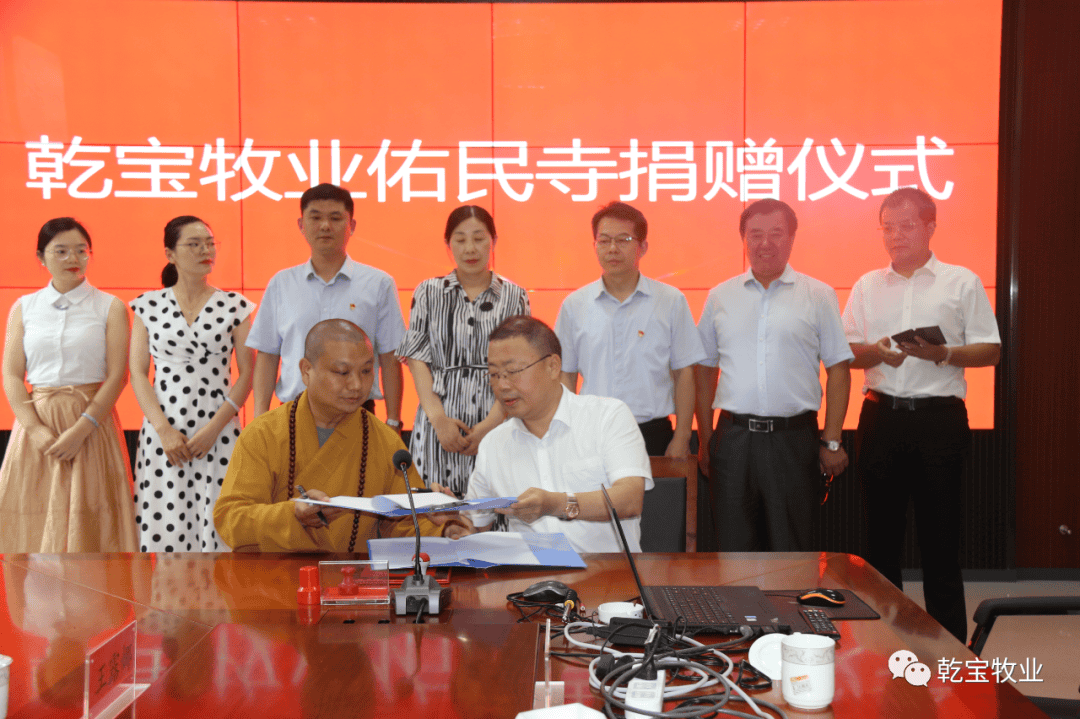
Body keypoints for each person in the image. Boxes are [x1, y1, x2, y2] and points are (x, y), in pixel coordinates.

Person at [842, 188, 1000, 643]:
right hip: (881, 419)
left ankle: (948, 653)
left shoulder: (961, 282)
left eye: (907, 226)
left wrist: (943, 353)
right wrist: (877, 352)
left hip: (939, 422)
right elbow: (845, 353)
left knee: (941, 544)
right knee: (880, 544)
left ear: (931, 227)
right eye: (887, 227)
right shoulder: (867, 286)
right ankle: (884, 645)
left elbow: (991, 350)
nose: (895, 236)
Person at [695, 199, 852, 552]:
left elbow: (839, 371)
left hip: (793, 440)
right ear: (744, 239)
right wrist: (705, 440)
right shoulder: (720, 296)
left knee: (791, 551)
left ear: (792, 238)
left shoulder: (819, 294)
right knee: (733, 550)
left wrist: (831, 440)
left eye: (776, 233)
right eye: (755, 234)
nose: (765, 243)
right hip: (733, 439)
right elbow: (704, 371)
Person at [214, 319, 447, 552]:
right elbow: (230, 519)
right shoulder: (264, 434)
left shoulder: (386, 442)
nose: (357, 385)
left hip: (355, 574)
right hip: (275, 573)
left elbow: (405, 524)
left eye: (366, 371)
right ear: (306, 370)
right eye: (342, 372)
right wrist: (291, 513)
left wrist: (444, 529)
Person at [444, 316, 652, 554]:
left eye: (513, 371)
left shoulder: (607, 416)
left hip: (607, 572)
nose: (502, 385)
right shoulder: (494, 443)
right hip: (530, 574)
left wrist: (556, 504)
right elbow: (476, 524)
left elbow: (629, 500)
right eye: (493, 374)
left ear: (553, 366)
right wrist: (454, 523)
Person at [0, 217, 137, 553]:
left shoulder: (110, 306)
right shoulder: (24, 308)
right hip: (38, 426)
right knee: (30, 526)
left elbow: (118, 375)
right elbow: (12, 375)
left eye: (81, 250)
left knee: (92, 531)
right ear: (40, 257)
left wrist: (82, 429)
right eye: (60, 251)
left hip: (91, 426)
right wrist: (35, 429)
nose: (72, 258)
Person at [129, 216, 255, 552]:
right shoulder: (147, 306)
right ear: (170, 253)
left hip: (219, 429)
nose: (205, 250)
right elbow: (138, 372)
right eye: (194, 244)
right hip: (164, 432)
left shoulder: (236, 306)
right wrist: (163, 430)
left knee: (220, 526)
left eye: (210, 243)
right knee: (166, 529)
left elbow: (247, 373)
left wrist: (214, 428)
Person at [246, 183, 406, 431]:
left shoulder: (378, 283)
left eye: (335, 218)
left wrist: (393, 420)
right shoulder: (281, 283)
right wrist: (259, 421)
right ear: (301, 225)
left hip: (357, 414)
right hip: (293, 415)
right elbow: (268, 356)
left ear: (352, 225)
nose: (325, 226)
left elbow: (389, 356)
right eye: (316, 217)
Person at [397, 206, 529, 495]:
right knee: (434, 508)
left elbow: (518, 367)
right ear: (448, 245)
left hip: (497, 419)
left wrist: (490, 425)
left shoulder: (514, 296)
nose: (470, 248)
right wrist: (439, 421)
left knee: (493, 506)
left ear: (493, 241)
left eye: (479, 238)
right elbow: (417, 359)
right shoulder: (428, 292)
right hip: (439, 420)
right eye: (460, 239)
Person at [555, 202, 705, 457]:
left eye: (623, 240)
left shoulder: (670, 301)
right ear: (595, 246)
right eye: (604, 241)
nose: (612, 248)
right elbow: (566, 376)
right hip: (592, 433)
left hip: (653, 433)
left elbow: (684, 374)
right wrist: (567, 432)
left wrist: (682, 436)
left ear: (643, 247)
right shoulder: (575, 305)